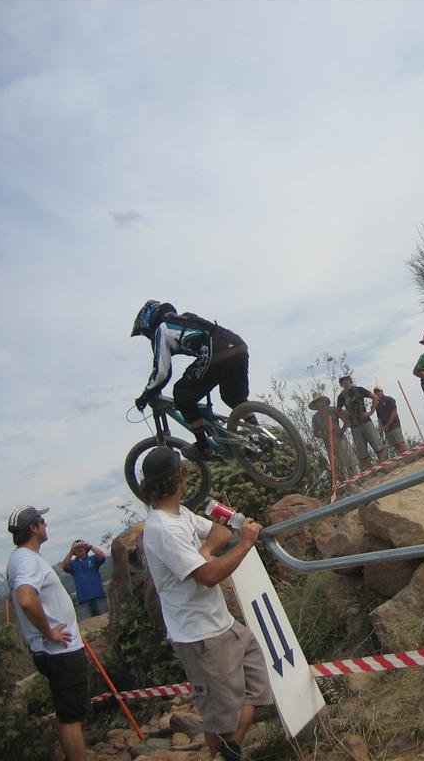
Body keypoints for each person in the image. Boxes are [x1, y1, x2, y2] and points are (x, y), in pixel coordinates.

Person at [140, 447, 273, 761]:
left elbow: (219, 530)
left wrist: (207, 550)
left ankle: (228, 750)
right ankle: (226, 752)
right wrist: (245, 543)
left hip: (221, 624)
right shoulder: (162, 529)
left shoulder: (180, 514)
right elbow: (209, 576)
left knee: (256, 684)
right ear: (181, 477)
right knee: (220, 716)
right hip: (199, 636)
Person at [6, 506, 88, 761]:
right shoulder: (27, 560)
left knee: (68, 713)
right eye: (41, 520)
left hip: (53, 650)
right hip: (60, 650)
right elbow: (26, 600)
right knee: (71, 717)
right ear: (33, 527)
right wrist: (49, 632)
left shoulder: (21, 558)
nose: (45, 523)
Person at [131, 300, 251, 463]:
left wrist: (145, 396)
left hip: (216, 351)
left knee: (181, 394)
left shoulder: (162, 329)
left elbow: (161, 372)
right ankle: (259, 437)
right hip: (238, 345)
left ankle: (203, 447)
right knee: (234, 398)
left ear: (149, 322)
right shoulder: (186, 318)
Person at [336, 375, 387, 470]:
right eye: (342, 380)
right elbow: (338, 411)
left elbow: (375, 398)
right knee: (362, 454)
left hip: (366, 422)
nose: (345, 381)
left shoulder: (359, 389)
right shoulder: (341, 396)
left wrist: (370, 412)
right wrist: (346, 423)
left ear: (350, 380)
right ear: (341, 384)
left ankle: (383, 468)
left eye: (346, 379)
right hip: (354, 427)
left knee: (378, 447)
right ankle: (369, 476)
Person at [309, 393, 356, 481]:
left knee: (348, 459)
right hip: (328, 443)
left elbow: (346, 417)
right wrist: (325, 435)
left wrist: (342, 429)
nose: (319, 403)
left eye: (320, 400)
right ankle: (347, 483)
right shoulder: (315, 418)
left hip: (340, 438)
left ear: (324, 401)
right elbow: (316, 433)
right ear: (315, 404)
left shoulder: (333, 410)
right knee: (336, 464)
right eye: (316, 402)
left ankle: (357, 479)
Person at [61, 539, 108, 620]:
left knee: (105, 621)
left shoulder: (93, 559)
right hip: (83, 601)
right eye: (77, 548)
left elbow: (102, 556)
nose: (79, 549)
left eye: (82, 547)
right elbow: (64, 566)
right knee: (87, 627)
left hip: (99, 596)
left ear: (86, 549)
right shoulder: (73, 564)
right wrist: (71, 551)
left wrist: (89, 546)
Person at [373, 386, 408, 454]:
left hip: (394, 426)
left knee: (400, 443)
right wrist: (381, 428)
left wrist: (388, 424)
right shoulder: (377, 405)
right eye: (375, 392)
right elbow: (379, 418)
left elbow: (394, 412)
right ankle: (404, 460)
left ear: (382, 391)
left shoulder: (389, 399)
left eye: (378, 391)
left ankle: (410, 457)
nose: (377, 393)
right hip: (386, 430)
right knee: (395, 446)